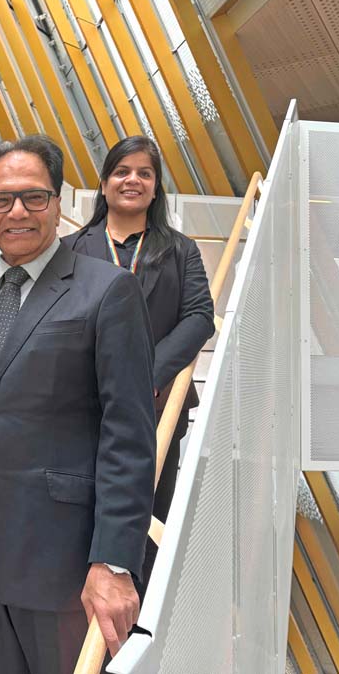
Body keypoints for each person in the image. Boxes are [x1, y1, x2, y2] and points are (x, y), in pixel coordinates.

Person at [0, 135, 157, 674]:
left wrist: (113, 561)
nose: (17, 212)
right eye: (1, 200)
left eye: (33, 197)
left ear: (58, 202)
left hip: (63, 566)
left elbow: (128, 435)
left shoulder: (107, 291)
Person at [63, 136, 215, 593]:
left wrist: (145, 376)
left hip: (158, 405)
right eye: (122, 171)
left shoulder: (180, 249)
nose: (133, 180)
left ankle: (139, 612)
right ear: (105, 184)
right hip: (82, 405)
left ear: (155, 189)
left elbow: (199, 317)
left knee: (147, 515)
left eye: (144, 173)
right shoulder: (69, 249)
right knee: (82, 510)